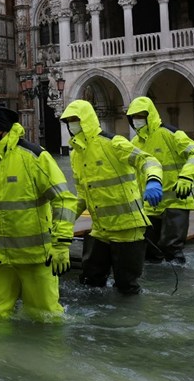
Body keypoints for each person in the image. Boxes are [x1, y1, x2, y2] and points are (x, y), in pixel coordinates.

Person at [0, 103, 78, 321]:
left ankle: (48, 354)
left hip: (35, 257)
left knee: (45, 316)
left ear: (7, 130)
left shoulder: (34, 157)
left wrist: (61, 243)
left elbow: (64, 199)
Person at [60, 99, 163, 295]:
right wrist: (62, 221)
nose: (72, 125)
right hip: (100, 229)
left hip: (128, 228)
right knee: (90, 281)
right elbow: (82, 194)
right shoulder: (76, 155)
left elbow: (148, 160)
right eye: (69, 121)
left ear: (87, 120)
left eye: (76, 119)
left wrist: (154, 180)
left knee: (126, 286)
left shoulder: (113, 143)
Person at [126, 96, 194, 264]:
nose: (137, 120)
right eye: (133, 117)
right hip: (151, 203)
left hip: (177, 199)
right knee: (150, 249)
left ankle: (180, 281)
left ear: (150, 115)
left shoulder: (170, 133)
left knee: (170, 246)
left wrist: (187, 176)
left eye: (141, 116)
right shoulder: (134, 142)